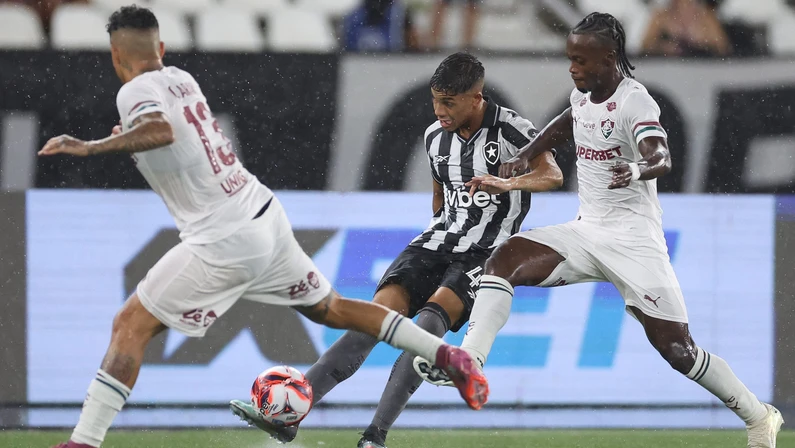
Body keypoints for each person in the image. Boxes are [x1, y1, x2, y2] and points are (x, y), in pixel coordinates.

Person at [38, 7, 487, 448]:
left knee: (130, 324)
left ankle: (84, 441)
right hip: (261, 212)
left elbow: (159, 130)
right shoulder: (180, 79)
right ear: (162, 47)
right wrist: (131, 137)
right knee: (332, 308)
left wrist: (93, 146)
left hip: (221, 236)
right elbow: (175, 140)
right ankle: (446, 354)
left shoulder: (135, 90)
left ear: (116, 55)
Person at [413, 12, 783, 448]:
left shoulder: (635, 102)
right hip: (586, 232)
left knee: (678, 351)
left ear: (608, 58)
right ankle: (471, 360)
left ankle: (759, 416)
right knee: (504, 258)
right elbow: (569, 120)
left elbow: (661, 157)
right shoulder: (583, 95)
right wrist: (527, 153)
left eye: (581, 60)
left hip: (634, 242)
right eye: (571, 58)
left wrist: (637, 168)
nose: (573, 68)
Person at [230, 52, 563, 448]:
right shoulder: (434, 136)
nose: (439, 111)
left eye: (449, 102)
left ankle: (375, 435)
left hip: (483, 253)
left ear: (476, 98)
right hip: (432, 244)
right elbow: (440, 194)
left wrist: (508, 184)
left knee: (426, 329)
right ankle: (291, 417)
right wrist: (446, 222)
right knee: (371, 323)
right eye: (435, 100)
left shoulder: (511, 129)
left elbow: (553, 174)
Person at [640, 0, 731, 57]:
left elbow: (723, 48)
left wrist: (701, 46)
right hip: (669, 70)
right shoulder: (660, 17)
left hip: (700, 71)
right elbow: (645, 47)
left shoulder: (707, 17)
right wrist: (663, 47)